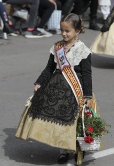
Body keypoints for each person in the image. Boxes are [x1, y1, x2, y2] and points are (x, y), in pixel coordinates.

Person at [15, 13, 93, 164]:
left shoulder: (83, 50)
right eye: (62, 30)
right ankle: (62, 150)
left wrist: (87, 95)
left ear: (77, 31)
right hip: (55, 89)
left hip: (75, 90)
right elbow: (49, 68)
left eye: (67, 31)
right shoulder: (57, 47)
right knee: (57, 121)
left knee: (73, 121)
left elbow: (87, 74)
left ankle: (78, 149)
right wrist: (39, 82)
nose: (63, 33)